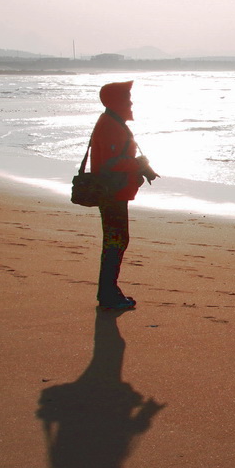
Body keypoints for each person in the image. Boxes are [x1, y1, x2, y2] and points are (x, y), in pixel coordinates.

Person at [91, 81, 158, 310]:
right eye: (126, 98)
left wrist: (139, 166)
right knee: (116, 241)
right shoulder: (110, 125)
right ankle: (108, 293)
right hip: (112, 194)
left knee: (116, 241)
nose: (130, 102)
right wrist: (137, 164)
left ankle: (109, 291)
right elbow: (112, 164)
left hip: (116, 192)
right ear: (116, 102)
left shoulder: (113, 122)